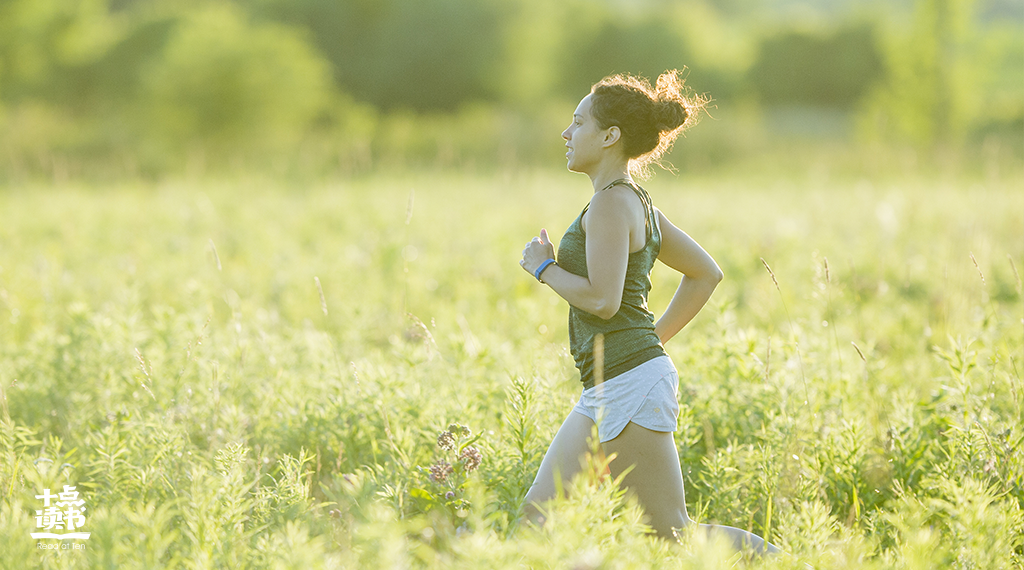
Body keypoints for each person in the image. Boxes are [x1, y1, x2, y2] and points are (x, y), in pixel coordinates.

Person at [518, 70, 779, 554]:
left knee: (672, 532)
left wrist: (544, 268)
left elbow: (603, 299)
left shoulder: (612, 205)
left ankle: (795, 563)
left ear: (610, 135)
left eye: (578, 123)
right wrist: (650, 344)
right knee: (536, 515)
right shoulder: (635, 203)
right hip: (611, 382)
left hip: (628, 384)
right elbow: (707, 274)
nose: (566, 134)